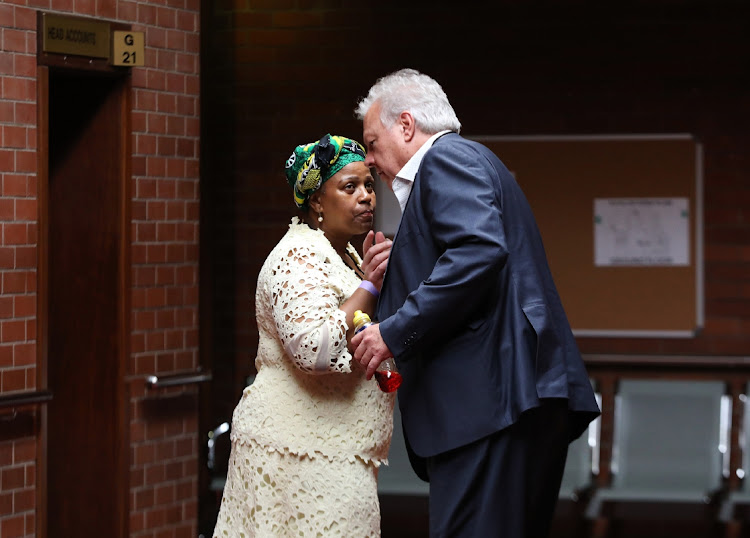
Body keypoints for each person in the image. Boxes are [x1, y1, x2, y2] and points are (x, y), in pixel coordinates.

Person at [351, 68, 601, 538]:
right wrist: (399, 267)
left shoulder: (445, 160)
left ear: (406, 126)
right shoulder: (471, 161)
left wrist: (392, 330)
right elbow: (475, 256)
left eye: (371, 141)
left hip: (491, 402)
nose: (369, 160)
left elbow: (479, 251)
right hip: (509, 399)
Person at [213, 134, 395, 538]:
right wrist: (372, 285)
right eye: (350, 187)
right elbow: (314, 348)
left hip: (330, 448)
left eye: (369, 185)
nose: (366, 197)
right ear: (316, 201)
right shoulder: (298, 255)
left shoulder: (343, 253)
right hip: (295, 453)